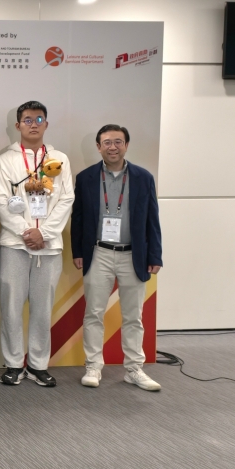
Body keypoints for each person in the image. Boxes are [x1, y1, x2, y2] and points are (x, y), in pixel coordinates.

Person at [71, 125, 163, 391]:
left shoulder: (143, 177)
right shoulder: (86, 177)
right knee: (94, 313)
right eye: (107, 142)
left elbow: (152, 219)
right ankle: (93, 366)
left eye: (118, 142)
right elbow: (78, 218)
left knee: (134, 316)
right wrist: (78, 252)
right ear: (98, 147)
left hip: (133, 254)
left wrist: (155, 254)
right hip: (98, 252)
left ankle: (134, 369)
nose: (113, 147)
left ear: (126, 145)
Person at [0, 101, 74, 387]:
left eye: (39, 119)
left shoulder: (60, 159)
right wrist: (26, 231)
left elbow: (66, 199)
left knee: (42, 308)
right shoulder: (6, 160)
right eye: (27, 120)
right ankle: (14, 364)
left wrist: (45, 233)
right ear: (18, 125)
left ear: (46, 124)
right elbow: (0, 200)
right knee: (11, 307)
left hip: (49, 248)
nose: (33, 124)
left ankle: (38, 365)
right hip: (14, 245)